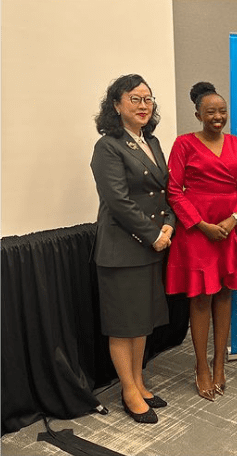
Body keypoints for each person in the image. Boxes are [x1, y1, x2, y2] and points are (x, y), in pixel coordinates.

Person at [91, 74, 175, 423]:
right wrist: (154, 234)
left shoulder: (152, 142)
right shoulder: (108, 147)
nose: (143, 106)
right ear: (116, 105)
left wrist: (169, 223)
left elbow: (165, 190)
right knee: (123, 325)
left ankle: (139, 381)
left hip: (152, 245)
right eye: (135, 99)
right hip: (123, 249)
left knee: (141, 322)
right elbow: (119, 202)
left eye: (148, 99)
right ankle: (128, 389)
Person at [165, 82, 237, 401]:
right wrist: (201, 225)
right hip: (198, 230)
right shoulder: (184, 144)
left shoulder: (236, 143)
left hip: (228, 228)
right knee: (201, 297)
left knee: (225, 294)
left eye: (222, 111)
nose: (218, 116)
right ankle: (200, 366)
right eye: (211, 111)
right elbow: (173, 190)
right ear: (198, 113)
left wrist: (233, 220)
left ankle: (219, 363)